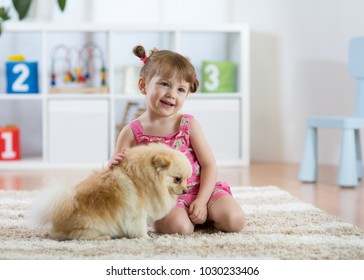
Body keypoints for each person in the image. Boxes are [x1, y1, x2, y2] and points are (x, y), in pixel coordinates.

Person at [109, 45, 245, 235]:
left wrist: (202, 200)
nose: (172, 94)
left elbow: (209, 165)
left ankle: (204, 215)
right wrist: (114, 165)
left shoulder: (188, 124)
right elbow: (118, 176)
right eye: (164, 84)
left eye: (181, 89)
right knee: (180, 229)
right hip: (165, 199)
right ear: (143, 85)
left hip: (202, 190)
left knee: (235, 220)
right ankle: (187, 220)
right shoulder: (131, 132)